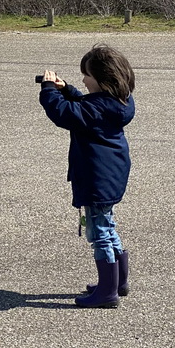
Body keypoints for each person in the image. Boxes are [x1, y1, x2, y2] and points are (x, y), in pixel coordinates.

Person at [38, 44, 136, 308]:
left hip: (96, 178)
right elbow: (86, 105)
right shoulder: (118, 102)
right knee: (108, 226)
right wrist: (67, 89)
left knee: (99, 232)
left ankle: (107, 292)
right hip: (110, 176)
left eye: (87, 76)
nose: (83, 79)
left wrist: (49, 91)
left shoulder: (96, 109)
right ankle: (117, 282)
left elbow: (65, 114)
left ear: (103, 80)